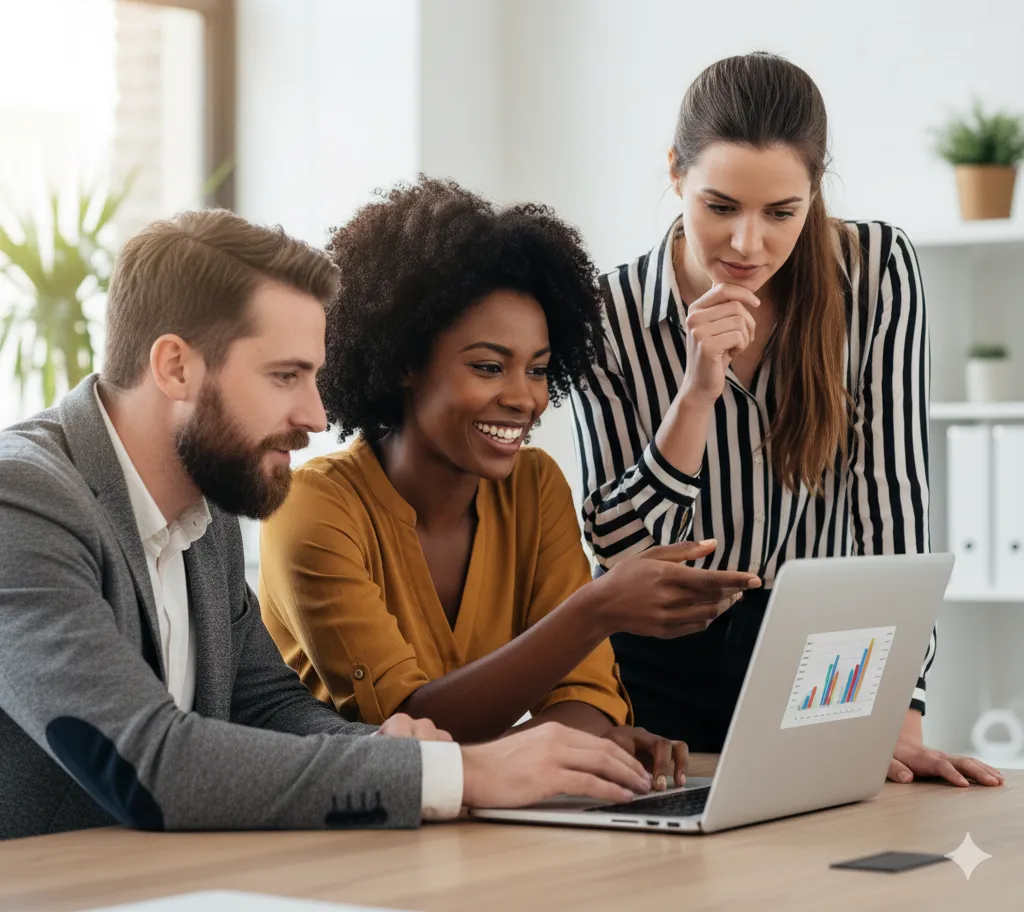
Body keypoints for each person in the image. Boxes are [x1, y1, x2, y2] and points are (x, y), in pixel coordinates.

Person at [0, 209, 660, 842]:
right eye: (285, 375)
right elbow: (148, 762)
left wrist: (388, 747)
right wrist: (460, 772)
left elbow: (266, 707)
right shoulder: (22, 500)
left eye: (313, 376)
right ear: (176, 367)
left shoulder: (206, 507)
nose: (317, 416)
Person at [571, 52, 1003, 789]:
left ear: (815, 192)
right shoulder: (608, 313)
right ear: (675, 172)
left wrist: (897, 712)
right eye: (719, 206)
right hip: (652, 666)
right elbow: (616, 547)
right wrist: (696, 395)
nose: (748, 245)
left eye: (781, 213)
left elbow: (889, 508)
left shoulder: (872, 272)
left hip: (819, 653)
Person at [259, 178, 761, 789]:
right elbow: (401, 733)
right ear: (404, 363)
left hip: (474, 827)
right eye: (489, 366)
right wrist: (596, 610)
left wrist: (560, 743)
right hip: (340, 835)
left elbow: (589, 703)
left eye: (540, 370)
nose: (525, 399)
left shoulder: (534, 487)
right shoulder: (312, 507)